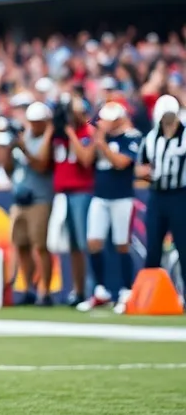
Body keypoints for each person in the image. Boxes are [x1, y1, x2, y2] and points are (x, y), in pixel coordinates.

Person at [77, 102, 144, 312]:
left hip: (122, 196)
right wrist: (96, 140)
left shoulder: (131, 137)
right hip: (100, 195)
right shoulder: (100, 137)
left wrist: (102, 144)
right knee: (93, 242)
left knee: (122, 244)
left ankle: (126, 290)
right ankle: (100, 290)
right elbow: (86, 160)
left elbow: (121, 162)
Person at [135, 94, 186, 310]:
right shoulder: (151, 138)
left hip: (180, 195)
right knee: (153, 248)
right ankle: (148, 299)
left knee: (183, 247)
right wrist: (145, 172)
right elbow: (140, 166)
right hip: (157, 195)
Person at [0, 103, 54, 306]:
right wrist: (10, 148)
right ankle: (29, 288)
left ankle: (45, 291)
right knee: (21, 245)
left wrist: (23, 147)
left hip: (40, 199)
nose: (34, 125)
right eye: (32, 122)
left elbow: (41, 165)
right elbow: (9, 169)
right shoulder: (25, 136)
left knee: (40, 246)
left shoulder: (47, 139)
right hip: (19, 200)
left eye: (38, 122)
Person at [50, 95, 95, 306]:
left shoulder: (86, 131)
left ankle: (93, 289)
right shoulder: (57, 134)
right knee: (73, 246)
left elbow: (85, 159)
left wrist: (70, 133)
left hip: (81, 192)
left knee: (85, 243)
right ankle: (78, 291)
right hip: (63, 193)